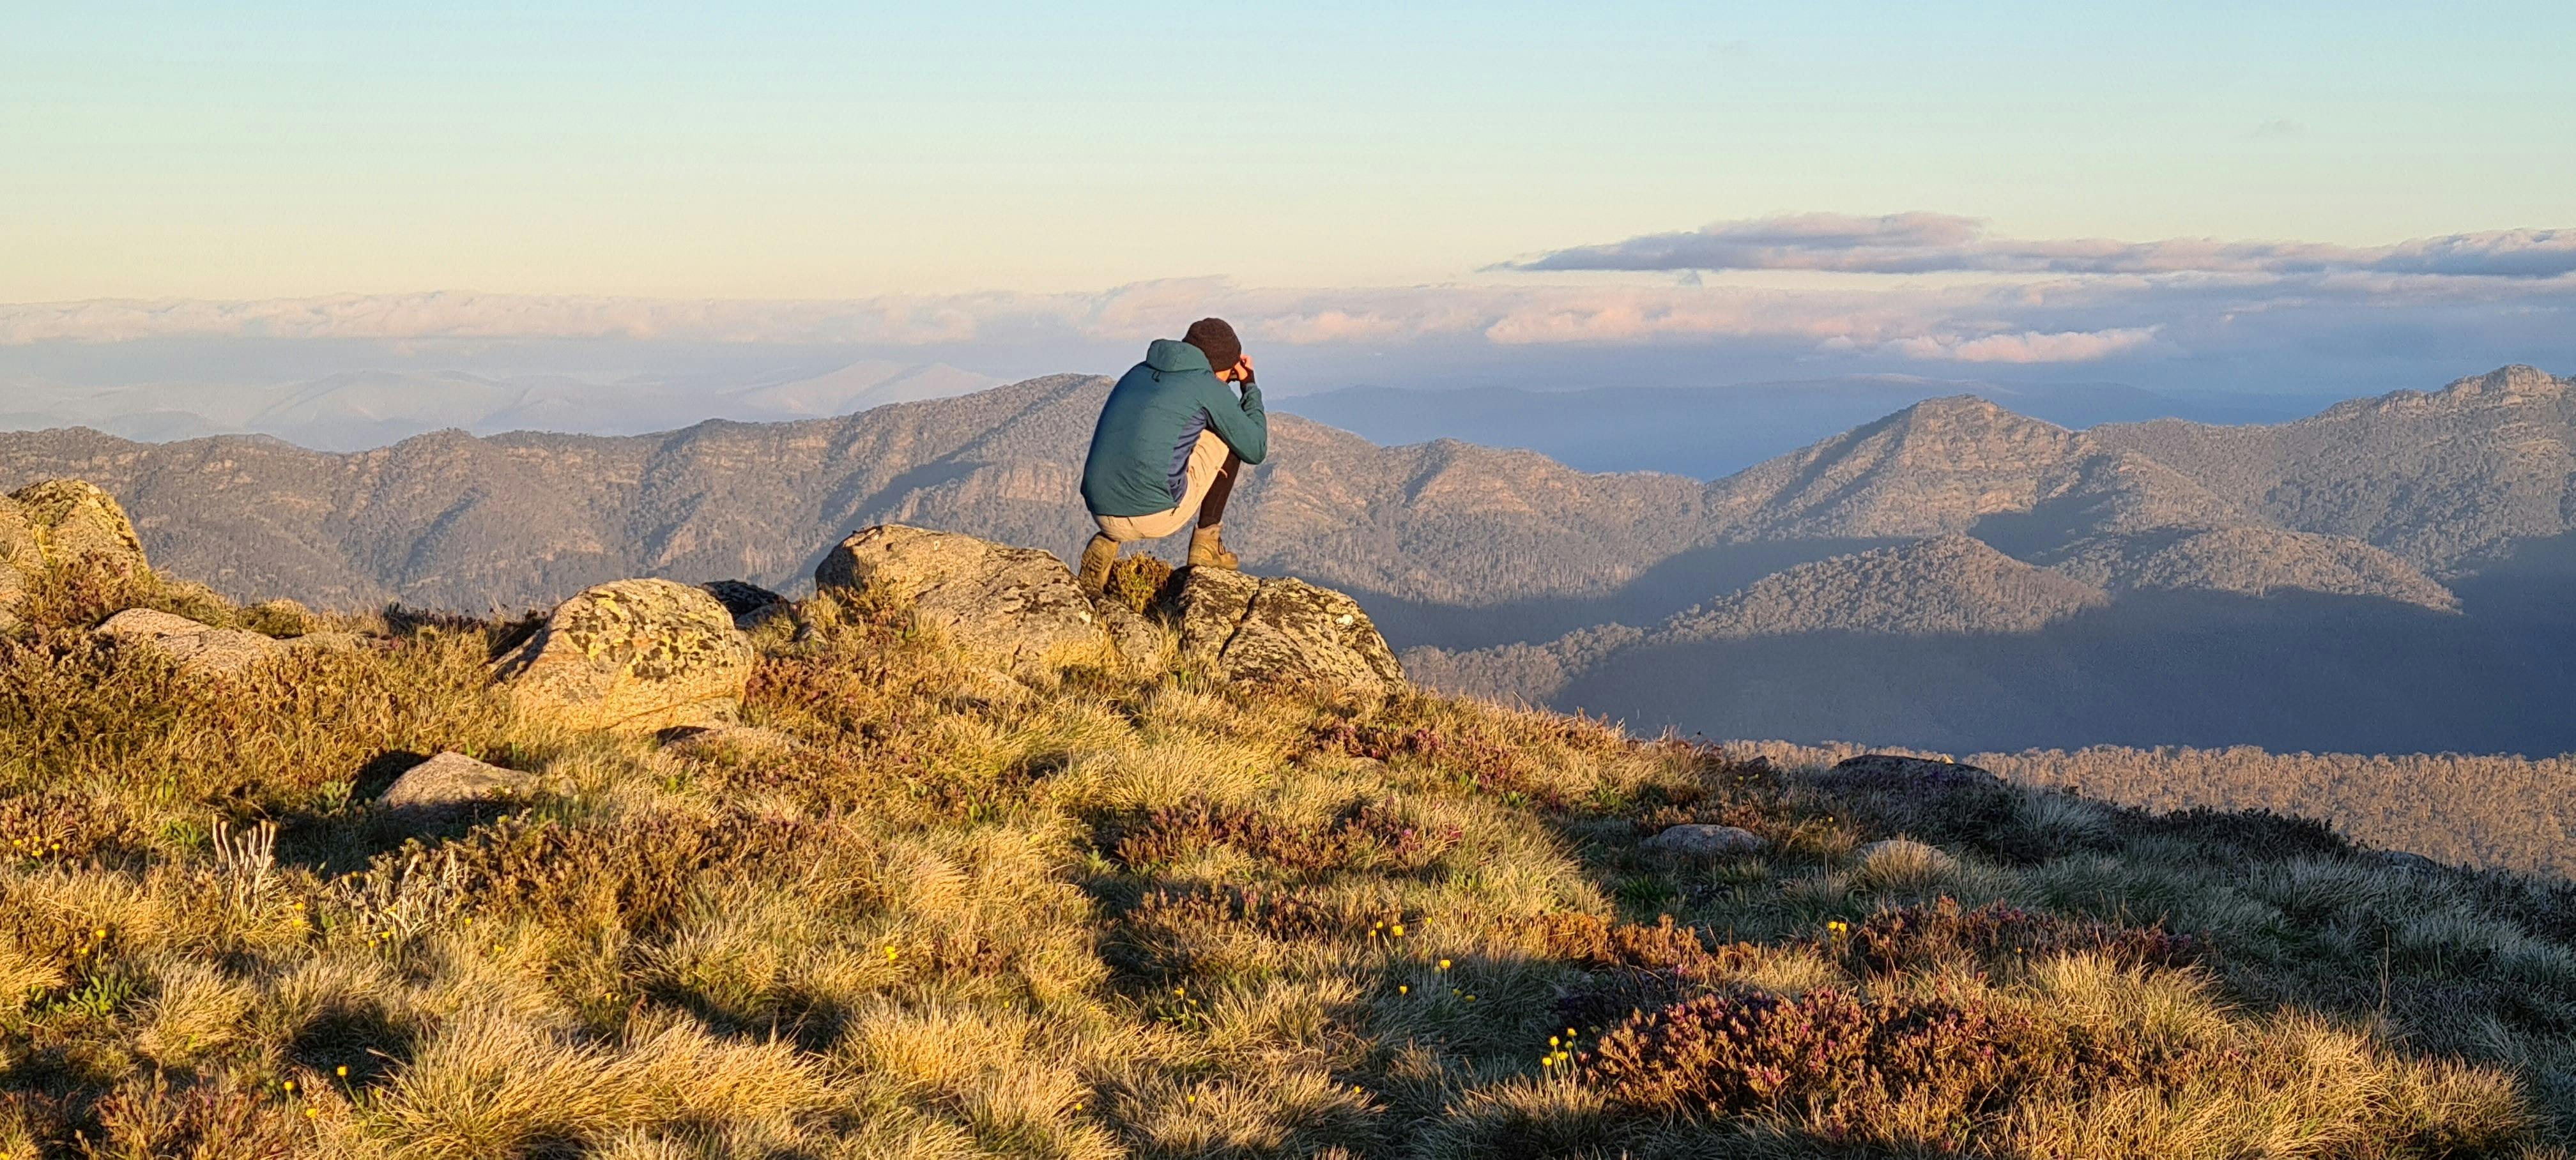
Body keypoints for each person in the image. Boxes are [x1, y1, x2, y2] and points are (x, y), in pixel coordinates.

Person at [1077, 317, 1266, 594]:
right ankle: (1206, 546)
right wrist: (1249, 385)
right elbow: (1255, 447)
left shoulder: (1137, 372)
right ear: (1222, 368)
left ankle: (1106, 543)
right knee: (1230, 437)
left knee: (1157, 441)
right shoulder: (1207, 386)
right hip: (1157, 514)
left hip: (1101, 510)